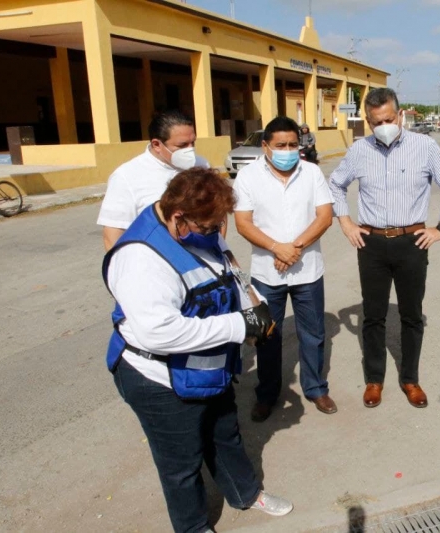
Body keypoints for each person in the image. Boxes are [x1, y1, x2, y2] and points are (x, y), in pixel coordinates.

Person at [103, 168, 292, 532]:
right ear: (178, 217)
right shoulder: (141, 258)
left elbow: (229, 273)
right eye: (208, 227)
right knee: (181, 463)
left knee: (225, 434)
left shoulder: (200, 229)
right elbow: (160, 332)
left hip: (207, 366)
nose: (214, 234)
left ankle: (245, 494)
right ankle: (193, 527)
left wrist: (256, 306)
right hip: (158, 377)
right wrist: (240, 326)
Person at [329, 87, 440, 409]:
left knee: (411, 315)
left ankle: (410, 379)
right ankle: (374, 379)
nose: (384, 126)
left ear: (400, 114)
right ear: (367, 120)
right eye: (377, 122)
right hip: (371, 243)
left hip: (412, 242)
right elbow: (335, 184)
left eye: (389, 118)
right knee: (373, 316)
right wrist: (345, 222)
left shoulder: (425, 146)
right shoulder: (360, 150)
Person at [233, 117, 336, 421]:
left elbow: (324, 216)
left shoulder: (312, 173)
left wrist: (295, 247)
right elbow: (242, 223)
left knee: (313, 333)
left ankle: (316, 388)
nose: (288, 150)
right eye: (281, 145)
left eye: (293, 144)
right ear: (265, 146)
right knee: (267, 336)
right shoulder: (248, 177)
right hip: (267, 273)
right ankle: (267, 394)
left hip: (308, 271)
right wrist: (278, 248)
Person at [97, 110, 212, 251]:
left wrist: (224, 253)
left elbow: (219, 214)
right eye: (182, 145)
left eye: (193, 143)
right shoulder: (126, 176)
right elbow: (113, 236)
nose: (190, 150)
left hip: (205, 261)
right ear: (157, 144)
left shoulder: (201, 165)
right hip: (158, 265)